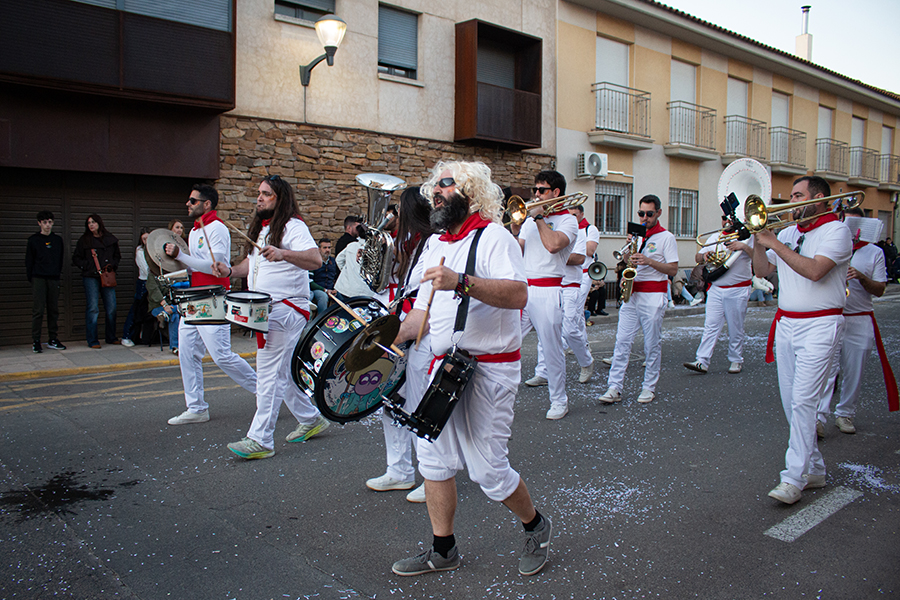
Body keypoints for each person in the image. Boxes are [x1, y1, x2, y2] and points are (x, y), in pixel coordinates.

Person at [390, 160, 552, 577]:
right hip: (441, 369)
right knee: (433, 460)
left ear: (470, 192)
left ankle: (536, 526)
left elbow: (518, 295)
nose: (436, 193)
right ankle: (443, 550)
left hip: (489, 370)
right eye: (434, 188)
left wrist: (461, 281)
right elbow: (421, 313)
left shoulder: (496, 238)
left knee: (488, 470)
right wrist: (383, 344)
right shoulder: (435, 243)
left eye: (446, 185)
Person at [213, 175, 329, 459]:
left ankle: (261, 439)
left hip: (286, 309)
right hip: (268, 311)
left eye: (266, 194)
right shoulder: (263, 229)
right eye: (259, 193)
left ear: (281, 198)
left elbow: (315, 260)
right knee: (282, 374)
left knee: (267, 374)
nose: (259, 198)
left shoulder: (293, 226)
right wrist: (229, 271)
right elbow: (252, 266)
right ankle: (312, 418)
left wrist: (284, 253)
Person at [753, 176, 852, 505]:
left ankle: (793, 478)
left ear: (819, 198)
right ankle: (816, 470)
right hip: (787, 324)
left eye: (798, 195)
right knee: (790, 403)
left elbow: (815, 271)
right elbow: (764, 271)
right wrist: (757, 240)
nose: (790, 200)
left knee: (804, 402)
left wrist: (775, 242)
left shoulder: (836, 230)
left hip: (821, 325)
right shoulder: (788, 233)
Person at [163, 184, 257, 425]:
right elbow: (193, 265)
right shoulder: (194, 232)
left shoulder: (217, 229)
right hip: (193, 297)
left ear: (207, 204)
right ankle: (196, 407)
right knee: (186, 352)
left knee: (221, 355)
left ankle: (267, 392)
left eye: (193, 201)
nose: (188, 204)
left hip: (212, 296)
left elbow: (217, 268)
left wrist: (180, 257)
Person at [366, 187, 433, 504]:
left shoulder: (432, 244)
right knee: (390, 400)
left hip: (420, 331)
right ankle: (399, 470)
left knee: (418, 405)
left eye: (400, 212)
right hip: (398, 322)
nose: (394, 216)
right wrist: (373, 252)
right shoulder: (402, 243)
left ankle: (432, 476)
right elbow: (384, 281)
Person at [511, 170, 579, 420]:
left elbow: (552, 246)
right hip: (523, 288)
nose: (535, 194)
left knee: (551, 349)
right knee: (506, 340)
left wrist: (539, 219)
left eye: (541, 190)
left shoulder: (568, 221)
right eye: (535, 190)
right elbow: (518, 249)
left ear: (556, 193)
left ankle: (559, 400)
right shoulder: (529, 221)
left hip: (549, 290)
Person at [816, 209, 891, 435]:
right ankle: (818, 417)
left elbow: (879, 290)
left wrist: (860, 276)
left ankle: (845, 413)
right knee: (826, 369)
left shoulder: (874, 252)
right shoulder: (828, 244)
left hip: (859, 317)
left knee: (854, 370)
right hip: (830, 315)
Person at [599, 195, 678, 405]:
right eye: (641, 213)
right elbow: (626, 262)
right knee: (622, 341)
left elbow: (673, 269)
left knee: (651, 343)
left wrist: (649, 261)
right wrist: (628, 251)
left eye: (649, 214)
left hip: (653, 294)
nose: (644, 218)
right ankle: (614, 387)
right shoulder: (637, 235)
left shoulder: (666, 237)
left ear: (659, 213)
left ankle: (648, 387)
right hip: (632, 293)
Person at [684, 216, 754, 374]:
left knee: (735, 327)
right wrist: (705, 256)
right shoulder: (716, 237)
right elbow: (698, 257)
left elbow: (759, 258)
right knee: (710, 326)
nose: (726, 221)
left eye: (730, 218)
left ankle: (736, 359)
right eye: (723, 218)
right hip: (716, 287)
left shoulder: (748, 237)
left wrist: (743, 246)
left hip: (738, 288)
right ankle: (702, 360)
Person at [72, 214, 121, 348]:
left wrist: (112, 266)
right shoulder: (84, 241)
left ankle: (111, 337)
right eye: (88, 223)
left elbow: (117, 256)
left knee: (111, 307)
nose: (91, 225)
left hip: (107, 276)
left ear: (99, 223)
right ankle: (92, 340)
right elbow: (76, 258)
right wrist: (87, 266)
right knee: (93, 308)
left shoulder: (110, 239)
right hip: (90, 277)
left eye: (93, 222)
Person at [26, 211, 66, 353]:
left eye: (49, 222)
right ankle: (36, 340)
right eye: (44, 222)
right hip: (38, 277)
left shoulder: (57, 240)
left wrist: (56, 273)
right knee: (38, 310)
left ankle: (53, 338)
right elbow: (29, 261)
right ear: (39, 223)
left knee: (53, 309)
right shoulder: (33, 240)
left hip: (53, 278)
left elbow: (60, 259)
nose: (47, 225)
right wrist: (32, 277)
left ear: (53, 223)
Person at [145, 254, 180, 355]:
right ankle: (175, 346)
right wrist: (165, 306)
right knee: (176, 313)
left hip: (171, 306)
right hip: (157, 307)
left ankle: (175, 346)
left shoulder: (171, 275)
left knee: (175, 315)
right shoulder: (152, 276)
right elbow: (155, 292)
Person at [121, 228, 151, 347]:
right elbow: (146, 270)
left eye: (148, 238)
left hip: (154, 282)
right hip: (144, 283)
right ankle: (127, 335)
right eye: (144, 239)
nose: (146, 241)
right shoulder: (140, 251)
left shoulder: (155, 249)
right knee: (136, 310)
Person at [309, 238, 337, 316]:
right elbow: (310, 282)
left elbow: (337, 277)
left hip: (331, 289)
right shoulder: (314, 261)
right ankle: (321, 321)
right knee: (323, 297)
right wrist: (325, 290)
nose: (327, 250)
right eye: (324, 248)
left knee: (343, 298)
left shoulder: (333, 261)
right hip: (318, 289)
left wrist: (336, 289)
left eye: (329, 247)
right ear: (319, 249)